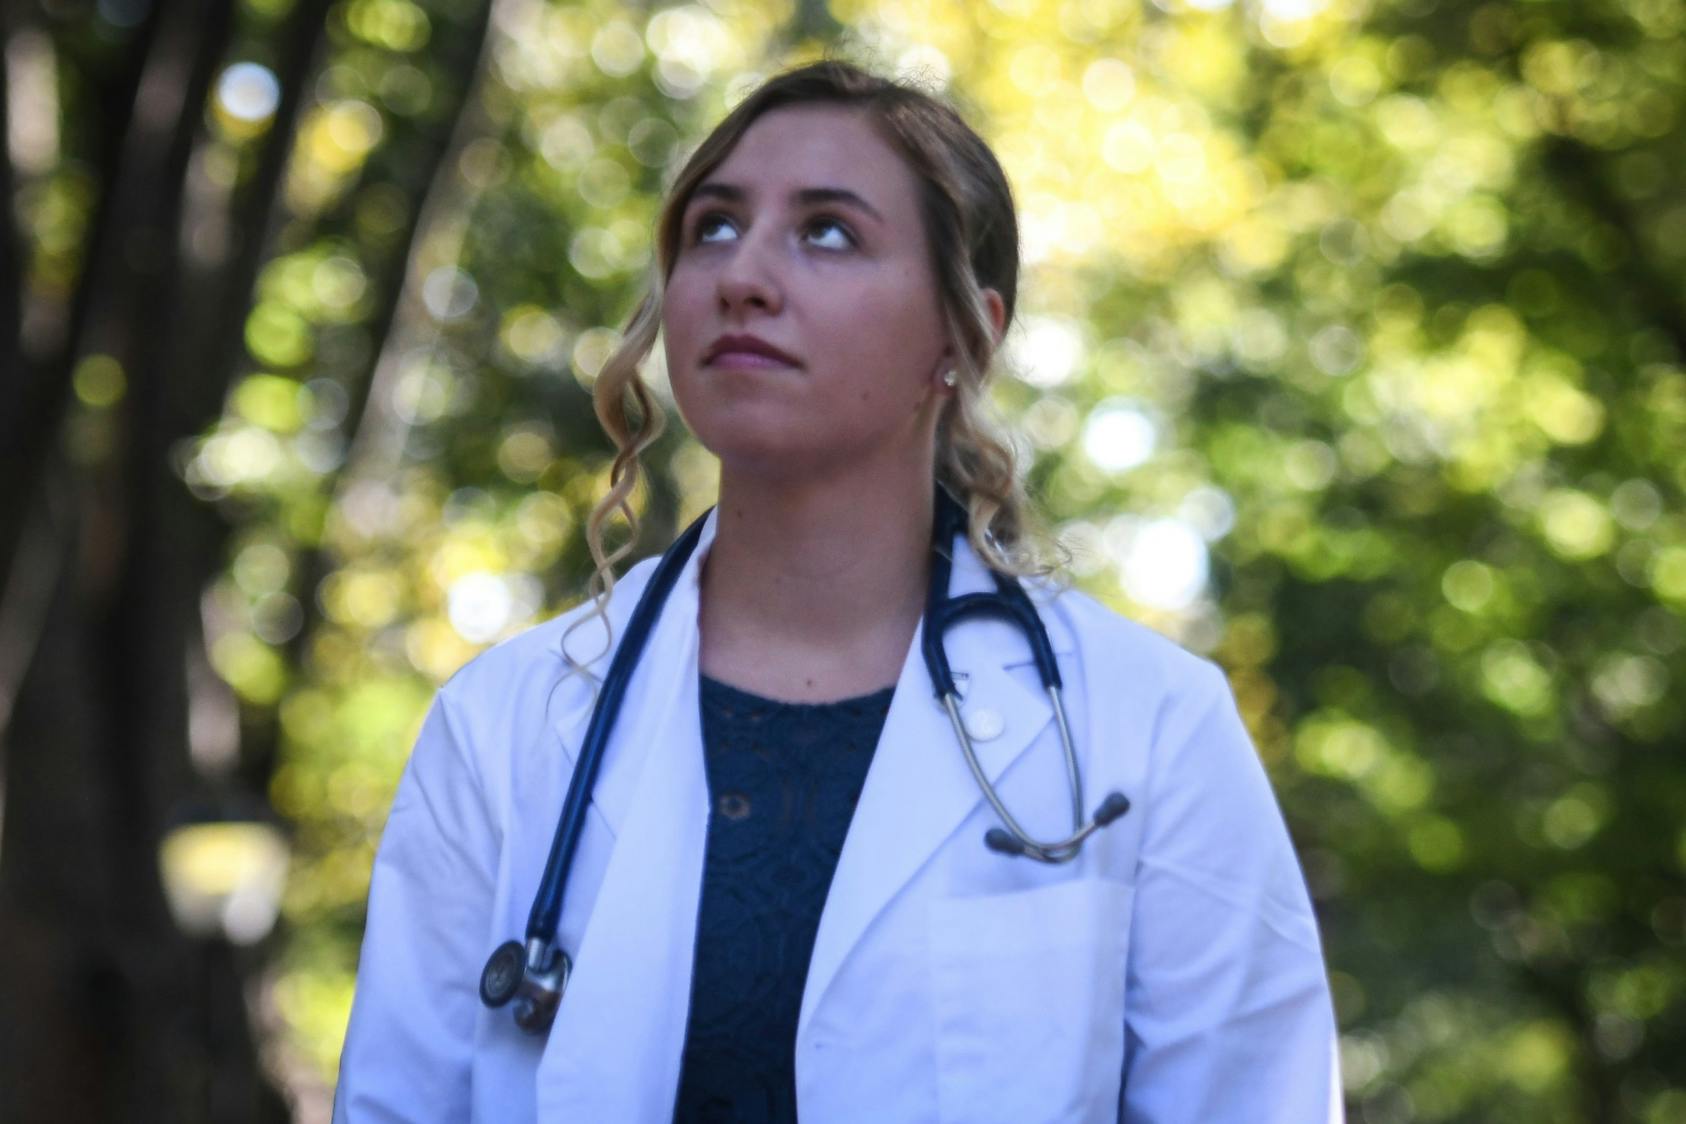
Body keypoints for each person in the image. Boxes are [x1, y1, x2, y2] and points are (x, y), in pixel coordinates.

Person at [333, 60, 1342, 1123]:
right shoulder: (502, 722)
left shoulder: (1150, 730)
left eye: (826, 232)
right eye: (714, 227)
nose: (742, 275)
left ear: (965, 335)